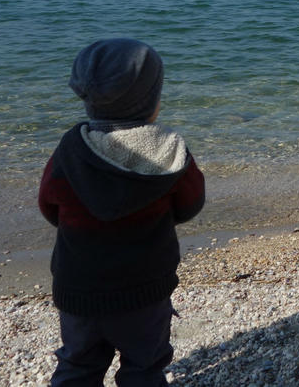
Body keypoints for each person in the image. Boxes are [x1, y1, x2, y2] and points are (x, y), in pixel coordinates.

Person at [39, 38, 205, 386]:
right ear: (151, 101)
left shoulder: (70, 152)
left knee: (78, 365)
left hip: (78, 288)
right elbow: (190, 204)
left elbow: (49, 206)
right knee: (144, 368)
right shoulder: (170, 153)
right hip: (144, 290)